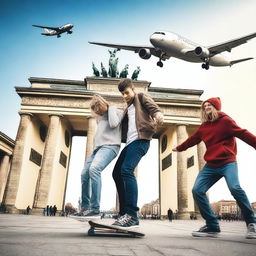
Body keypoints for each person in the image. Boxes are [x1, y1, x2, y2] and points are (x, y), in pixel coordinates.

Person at [173, 97, 256, 239]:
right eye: (204, 106)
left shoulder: (226, 121)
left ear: (216, 107)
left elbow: (243, 133)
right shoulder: (204, 127)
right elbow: (193, 139)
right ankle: (212, 225)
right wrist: (179, 148)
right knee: (197, 190)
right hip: (211, 165)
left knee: (235, 187)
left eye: (209, 105)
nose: (206, 108)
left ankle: (252, 223)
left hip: (228, 162)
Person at [112, 78, 164, 228]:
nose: (124, 96)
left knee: (127, 170)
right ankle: (123, 214)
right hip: (129, 144)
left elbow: (153, 107)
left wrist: (158, 115)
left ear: (132, 89)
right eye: (122, 94)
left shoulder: (140, 97)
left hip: (141, 141)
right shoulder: (128, 109)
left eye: (126, 92)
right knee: (116, 173)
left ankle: (132, 215)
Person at [80, 94, 123, 217]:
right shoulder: (100, 118)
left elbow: (114, 124)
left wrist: (111, 108)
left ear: (102, 104)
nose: (97, 112)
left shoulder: (115, 111)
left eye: (98, 109)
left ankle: (94, 208)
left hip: (110, 146)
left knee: (94, 169)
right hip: (97, 149)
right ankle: (84, 206)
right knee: (84, 174)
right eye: (95, 110)